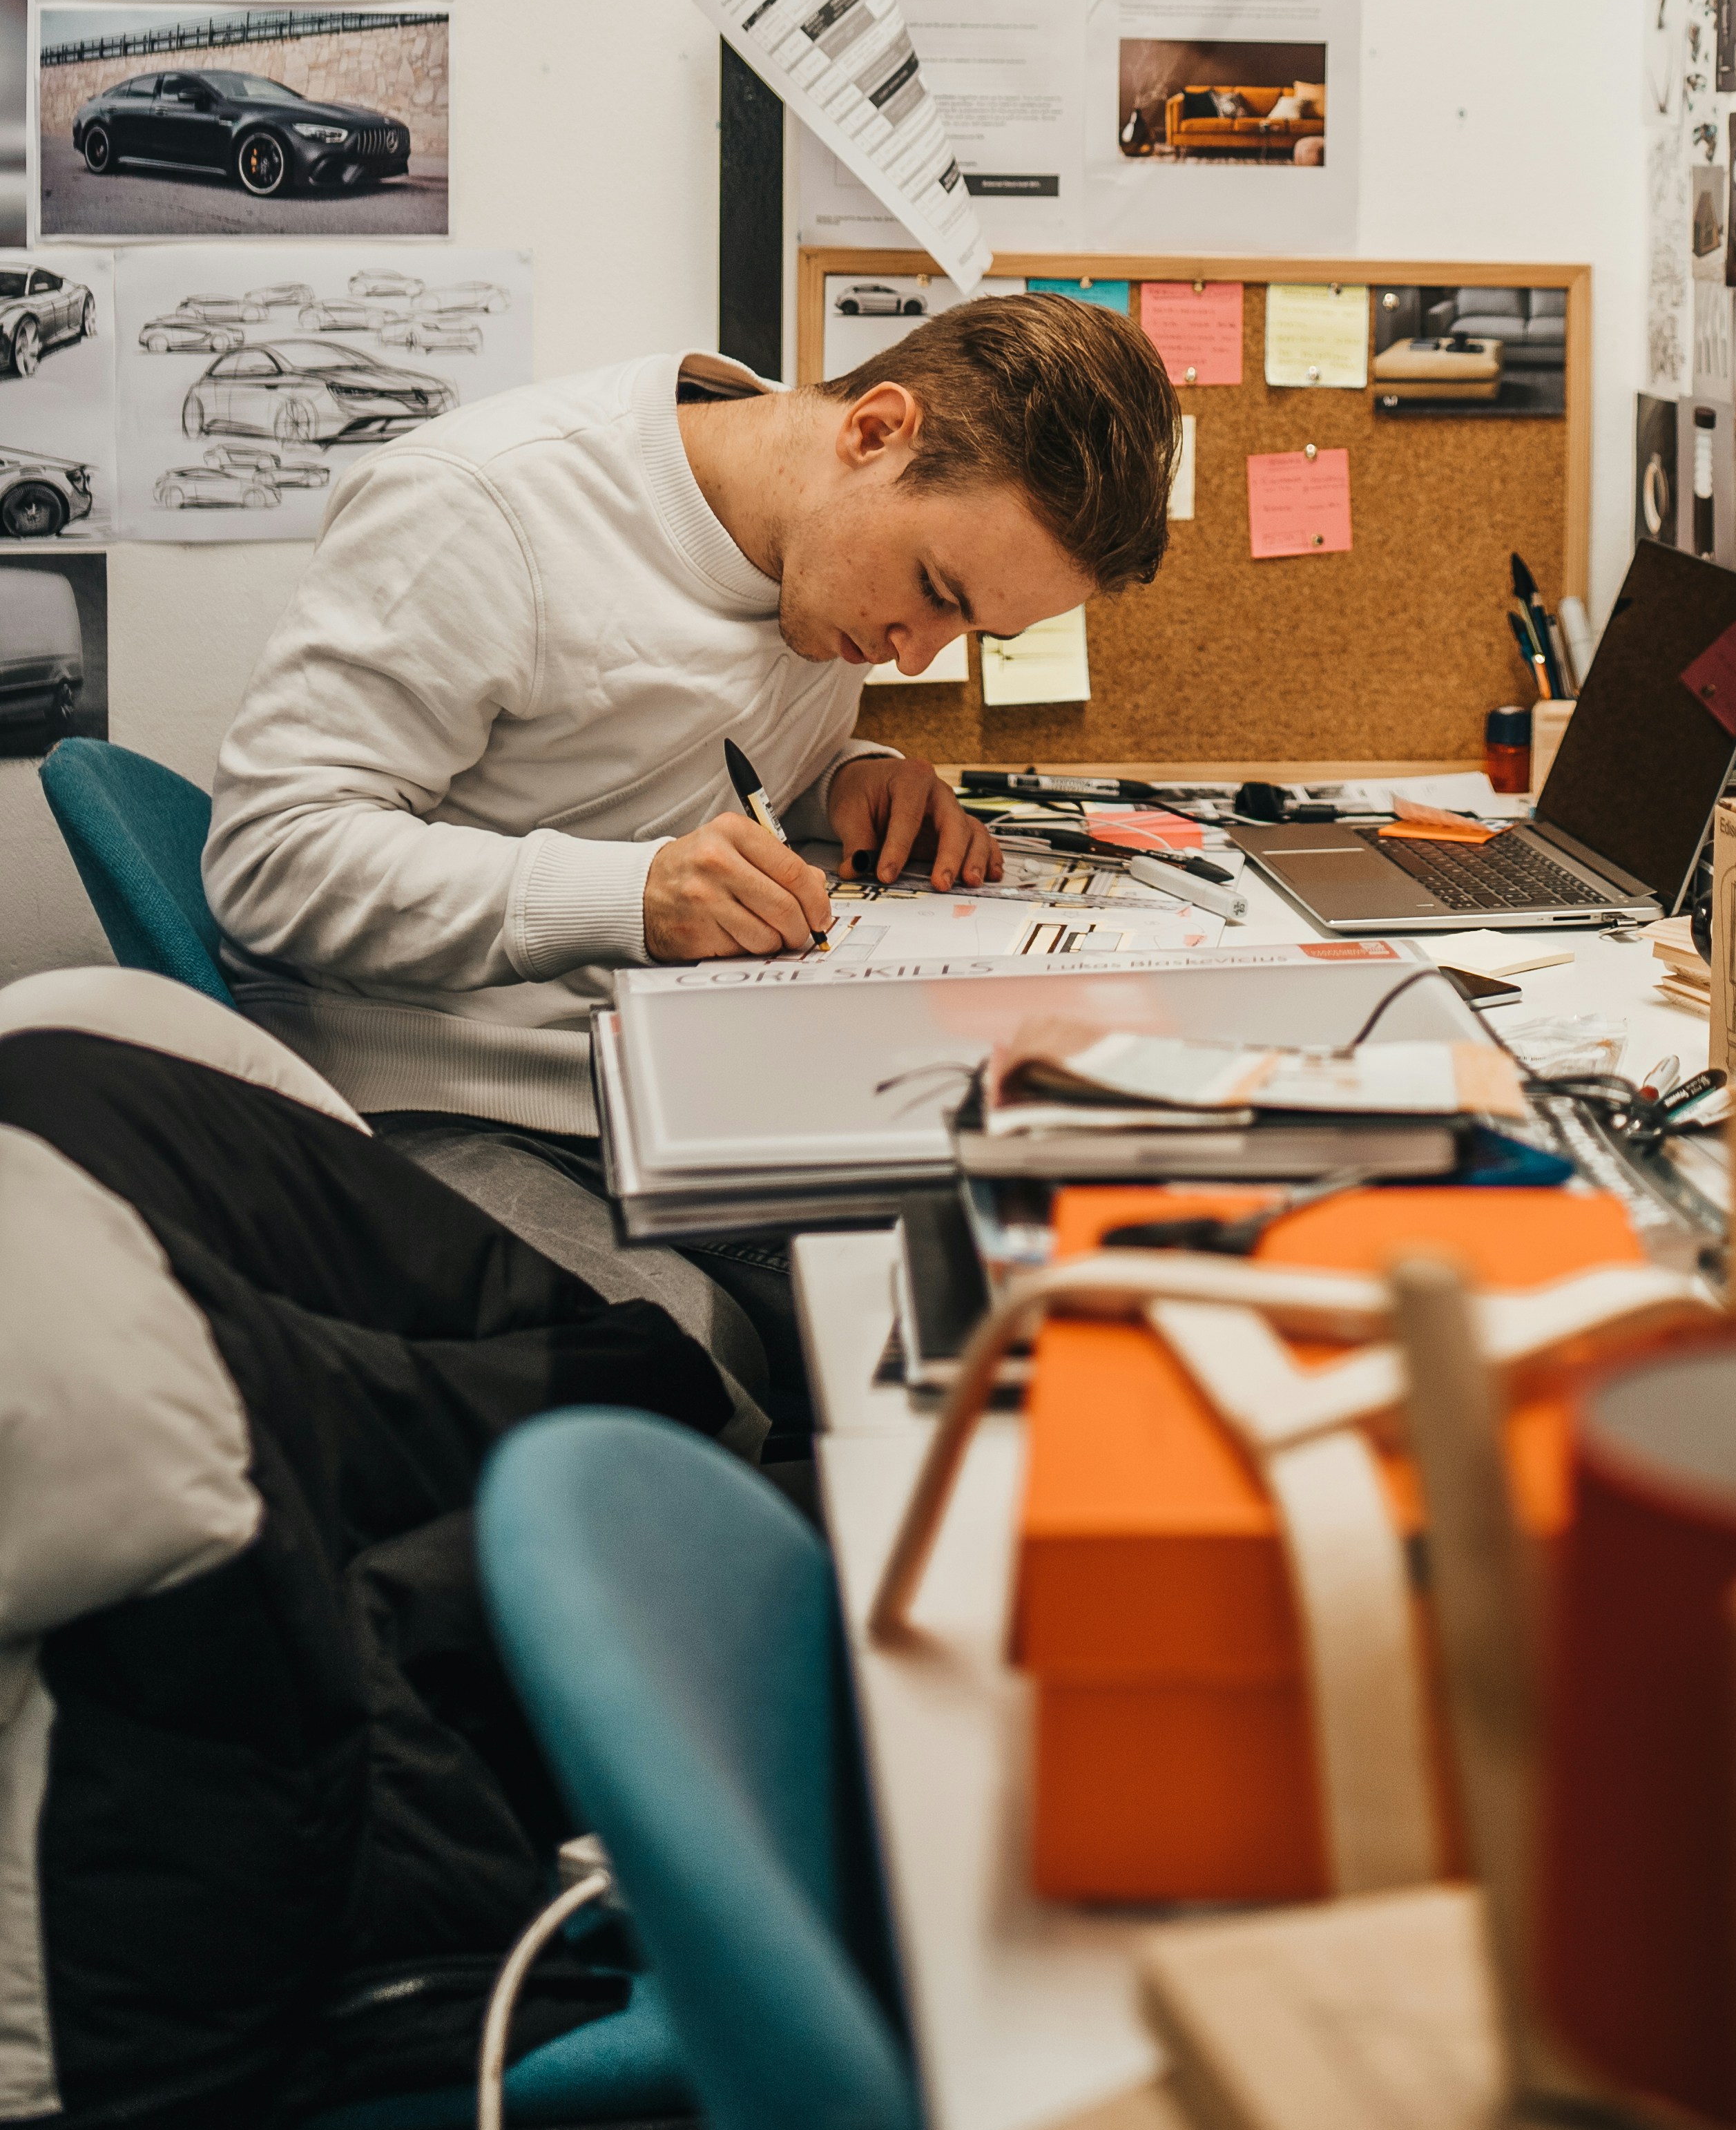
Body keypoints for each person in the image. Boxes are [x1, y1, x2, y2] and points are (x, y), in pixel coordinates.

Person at [204, 290, 1180, 1408]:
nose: (916, 660)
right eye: (935, 595)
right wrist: (635, 896)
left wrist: (846, 777)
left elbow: (690, 751)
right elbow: (271, 857)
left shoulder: (824, 544)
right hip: (445, 1099)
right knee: (677, 1387)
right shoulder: (487, 507)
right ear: (875, 431)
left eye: (972, 632)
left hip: (680, 1087)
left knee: (1058, 1299)